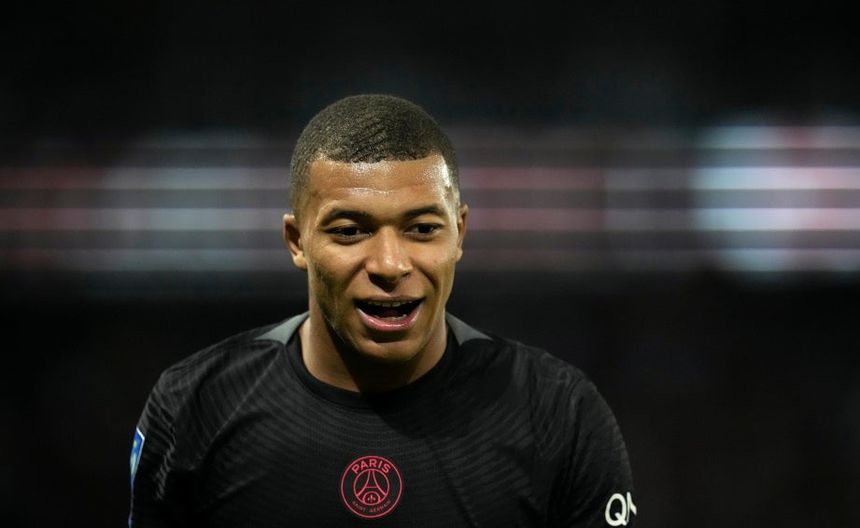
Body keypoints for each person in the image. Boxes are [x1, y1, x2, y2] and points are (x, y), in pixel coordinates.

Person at [128, 94, 637, 527]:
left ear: (459, 233)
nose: (390, 265)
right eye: (350, 231)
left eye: (422, 229)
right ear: (297, 241)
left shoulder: (558, 413)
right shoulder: (196, 406)